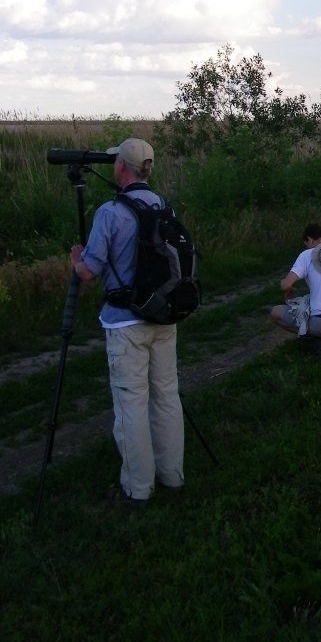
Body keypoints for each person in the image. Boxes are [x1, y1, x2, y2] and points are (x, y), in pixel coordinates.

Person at [70, 137, 184, 509]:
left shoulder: (110, 212)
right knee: (166, 396)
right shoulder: (163, 205)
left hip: (125, 323)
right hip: (163, 314)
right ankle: (172, 476)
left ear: (120, 165)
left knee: (131, 403)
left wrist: (76, 260)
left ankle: (138, 489)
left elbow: (89, 271)